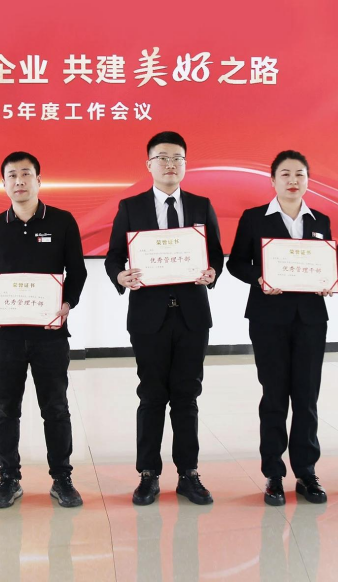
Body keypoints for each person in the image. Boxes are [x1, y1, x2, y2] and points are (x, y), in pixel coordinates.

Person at [104, 131, 224, 506]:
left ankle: (188, 474)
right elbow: (113, 256)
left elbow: (215, 254)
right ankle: (148, 474)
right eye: (163, 158)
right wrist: (119, 276)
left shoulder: (201, 205)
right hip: (148, 318)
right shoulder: (130, 207)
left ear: (185, 164)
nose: (171, 164)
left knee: (187, 396)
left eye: (177, 158)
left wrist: (212, 273)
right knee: (152, 395)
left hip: (191, 317)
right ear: (149, 164)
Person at [0, 151, 87, 509]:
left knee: (56, 407)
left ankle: (62, 477)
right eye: (12, 175)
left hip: (49, 334)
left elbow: (77, 270)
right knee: (5, 408)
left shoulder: (62, 221)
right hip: (4, 335)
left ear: (39, 180)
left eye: (25, 174)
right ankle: (9, 478)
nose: (19, 181)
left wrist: (68, 302)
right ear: (3, 183)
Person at [227, 150, 333, 505]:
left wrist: (328, 280)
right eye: (285, 174)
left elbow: (326, 265)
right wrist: (259, 278)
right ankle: (273, 473)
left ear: (308, 180)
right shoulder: (255, 218)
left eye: (299, 174)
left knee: (307, 396)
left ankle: (306, 472)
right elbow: (236, 263)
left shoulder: (320, 220)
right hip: (268, 318)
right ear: (272, 180)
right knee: (274, 396)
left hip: (311, 319)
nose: (293, 180)